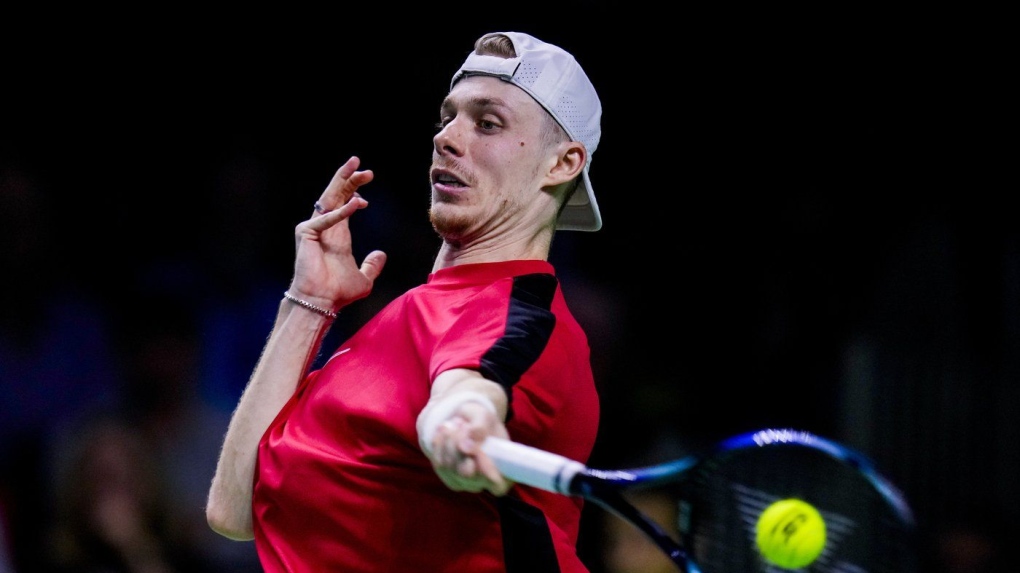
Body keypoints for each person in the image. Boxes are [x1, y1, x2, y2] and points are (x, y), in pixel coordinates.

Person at [205, 31, 604, 572]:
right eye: (448, 117)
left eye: (488, 123)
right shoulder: (402, 316)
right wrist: (309, 299)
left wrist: (459, 423)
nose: (446, 137)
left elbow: (469, 390)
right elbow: (234, 509)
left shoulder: (518, 314)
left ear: (563, 163)